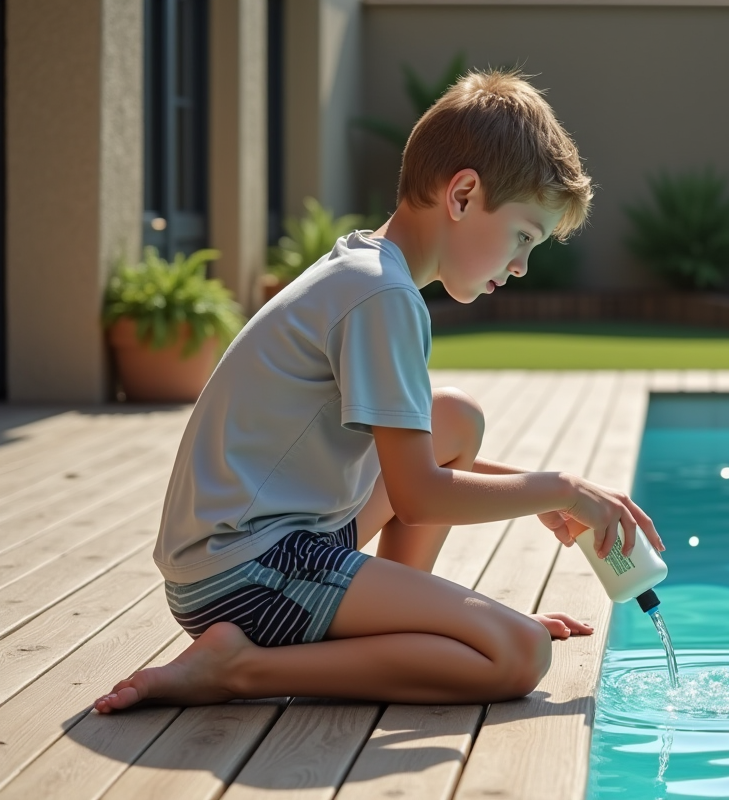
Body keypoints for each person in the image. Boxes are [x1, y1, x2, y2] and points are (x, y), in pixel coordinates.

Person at [94, 70, 663, 713]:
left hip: (252, 553)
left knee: (453, 419)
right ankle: (241, 669)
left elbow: (416, 461)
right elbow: (417, 497)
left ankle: (405, 621)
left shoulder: (366, 268)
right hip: (244, 576)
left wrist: (535, 495)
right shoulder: (382, 296)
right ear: (465, 194)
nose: (521, 265)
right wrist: (560, 487)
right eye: (523, 236)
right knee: (518, 655)